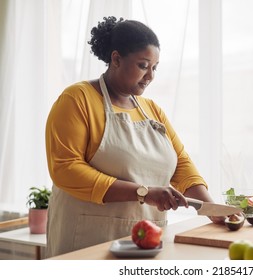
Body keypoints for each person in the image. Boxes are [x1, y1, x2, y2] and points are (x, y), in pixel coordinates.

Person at [45, 16, 223, 258]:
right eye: (143, 65)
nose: (150, 76)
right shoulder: (77, 99)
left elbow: (181, 164)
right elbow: (65, 169)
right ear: (116, 59)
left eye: (155, 67)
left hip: (147, 239)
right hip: (86, 239)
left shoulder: (151, 109)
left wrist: (211, 209)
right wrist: (143, 192)